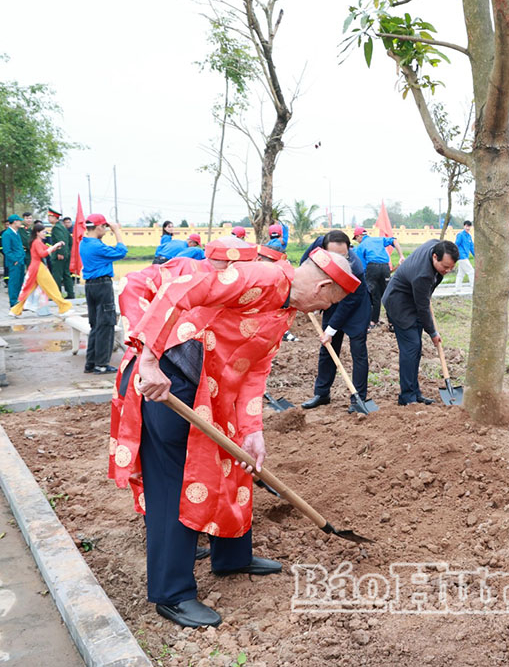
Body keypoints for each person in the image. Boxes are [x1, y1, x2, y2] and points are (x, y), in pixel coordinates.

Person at [109, 237, 359, 628]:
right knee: (175, 483)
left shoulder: (286, 308)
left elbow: (255, 370)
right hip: (169, 382)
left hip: (211, 391)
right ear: (322, 287)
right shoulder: (263, 276)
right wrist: (150, 360)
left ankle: (231, 556)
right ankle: (172, 594)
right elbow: (180, 291)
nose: (325, 309)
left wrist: (252, 429)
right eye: (330, 301)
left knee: (235, 465)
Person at [300, 231, 372, 412]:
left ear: (349, 248)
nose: (339, 260)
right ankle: (322, 393)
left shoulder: (355, 268)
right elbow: (303, 265)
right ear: (324, 249)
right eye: (334, 255)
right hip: (332, 302)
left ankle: (358, 398)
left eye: (343, 255)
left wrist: (331, 329)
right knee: (327, 350)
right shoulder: (318, 246)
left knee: (358, 352)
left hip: (355, 307)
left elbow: (350, 302)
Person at [382, 239, 458, 405]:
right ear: (435, 257)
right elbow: (423, 307)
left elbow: (422, 302)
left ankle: (415, 393)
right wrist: (433, 333)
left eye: (451, 267)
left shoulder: (436, 245)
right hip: (399, 303)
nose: (447, 270)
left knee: (415, 348)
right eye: (445, 267)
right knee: (411, 348)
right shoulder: (423, 275)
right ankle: (407, 397)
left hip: (413, 297)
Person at [79, 214, 128, 374]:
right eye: (105, 227)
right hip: (102, 285)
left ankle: (91, 363)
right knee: (106, 324)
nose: (106, 231)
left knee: (95, 325)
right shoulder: (97, 246)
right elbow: (122, 252)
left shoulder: (84, 243)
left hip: (90, 286)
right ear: (99, 227)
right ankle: (101, 365)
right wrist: (117, 231)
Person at [9, 222, 72, 316]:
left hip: (35, 267)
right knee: (52, 288)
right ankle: (63, 308)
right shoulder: (36, 242)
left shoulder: (37, 242)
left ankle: (15, 310)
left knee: (29, 289)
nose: (45, 233)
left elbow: (46, 248)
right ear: (37, 233)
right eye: (43, 232)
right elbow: (43, 254)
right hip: (39, 268)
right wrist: (55, 246)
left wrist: (55, 246)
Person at [352, 226, 405, 329]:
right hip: (385, 267)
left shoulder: (360, 247)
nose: (357, 241)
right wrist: (401, 256)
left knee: (373, 295)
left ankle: (373, 321)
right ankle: (392, 323)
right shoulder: (379, 239)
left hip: (371, 268)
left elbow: (362, 267)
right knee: (387, 295)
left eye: (356, 238)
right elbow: (394, 240)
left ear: (359, 236)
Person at [47, 209, 74, 299]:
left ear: (55, 217)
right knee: (66, 274)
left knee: (57, 275)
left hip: (59, 254)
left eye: (50, 217)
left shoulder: (56, 228)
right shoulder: (63, 227)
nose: (48, 218)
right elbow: (70, 241)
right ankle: (70, 293)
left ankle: (56, 295)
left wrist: (60, 252)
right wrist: (67, 251)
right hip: (66, 253)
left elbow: (60, 240)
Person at [3, 215, 26, 306]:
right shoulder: (7, 234)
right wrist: (14, 260)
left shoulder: (17, 233)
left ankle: (19, 301)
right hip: (14, 262)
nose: (21, 222)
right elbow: (7, 250)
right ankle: (13, 302)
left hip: (20, 261)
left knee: (20, 282)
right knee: (13, 282)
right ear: (15, 222)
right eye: (19, 221)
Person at [454, 220, 475, 293]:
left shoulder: (469, 236)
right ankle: (473, 288)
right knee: (471, 271)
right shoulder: (460, 235)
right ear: (464, 226)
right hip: (461, 256)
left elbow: (472, 247)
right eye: (466, 226)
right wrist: (456, 254)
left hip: (466, 256)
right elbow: (456, 244)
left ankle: (457, 289)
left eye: (469, 226)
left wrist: (475, 256)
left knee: (461, 274)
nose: (467, 228)